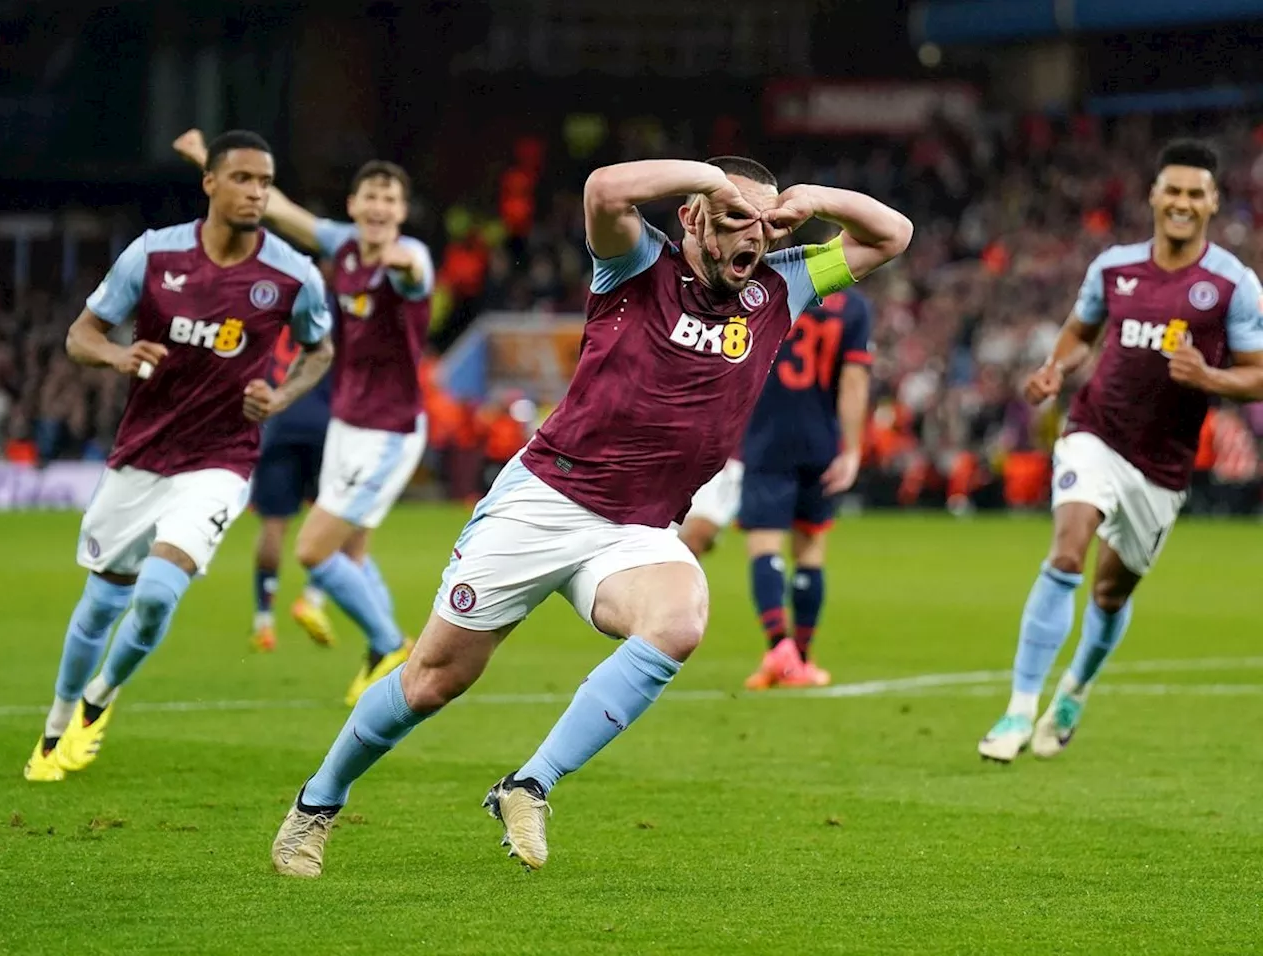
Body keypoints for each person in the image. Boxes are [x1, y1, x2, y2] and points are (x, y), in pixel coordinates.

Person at [268, 156, 911, 876]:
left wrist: (812, 199)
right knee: (431, 681)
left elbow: (891, 235)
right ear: (693, 216)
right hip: (546, 502)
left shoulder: (780, 284)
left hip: (637, 529)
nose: (753, 237)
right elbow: (604, 188)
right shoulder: (636, 262)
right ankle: (315, 808)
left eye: (764, 225)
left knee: (679, 620)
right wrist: (706, 176)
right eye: (734, 218)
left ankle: (529, 784)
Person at [24, 130, 333, 782]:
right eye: (243, 178)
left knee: (160, 593)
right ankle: (55, 728)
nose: (256, 192)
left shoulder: (291, 273)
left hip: (220, 462)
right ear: (210, 183)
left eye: (265, 182)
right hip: (140, 456)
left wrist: (280, 395)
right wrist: (117, 355)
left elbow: (320, 351)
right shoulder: (154, 254)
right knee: (101, 604)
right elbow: (83, 334)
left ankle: (99, 699)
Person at [978, 140, 1263, 763]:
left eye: (1196, 193)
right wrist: (1056, 367)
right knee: (1067, 549)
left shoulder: (1233, 283)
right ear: (1154, 196)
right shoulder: (1114, 268)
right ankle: (1018, 711)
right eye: (1174, 190)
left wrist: (1211, 379)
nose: (1183, 203)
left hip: (1163, 466)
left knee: (1111, 594)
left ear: (1213, 201)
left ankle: (1074, 689)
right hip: (1095, 431)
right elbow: (1082, 330)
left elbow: (1258, 373)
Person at [174, 131, 434, 704]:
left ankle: (392, 644)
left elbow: (415, 273)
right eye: (371, 196)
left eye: (390, 200)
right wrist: (204, 160)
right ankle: (385, 659)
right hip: (345, 422)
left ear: (402, 212)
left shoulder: (409, 258)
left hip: (390, 433)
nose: (379, 208)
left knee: (315, 551)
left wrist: (403, 262)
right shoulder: (342, 245)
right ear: (353, 205)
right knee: (353, 552)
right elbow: (282, 210)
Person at [739, 287, 873, 689]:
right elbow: (853, 380)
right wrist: (851, 449)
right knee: (810, 551)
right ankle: (801, 656)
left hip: (764, 432)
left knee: (765, 546)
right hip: (820, 437)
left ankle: (780, 650)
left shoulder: (764, 288)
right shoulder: (852, 306)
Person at [246, 325, 335, 652]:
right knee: (337, 516)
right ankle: (312, 598)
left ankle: (264, 623)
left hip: (278, 422)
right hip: (325, 421)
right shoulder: (329, 305)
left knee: (273, 525)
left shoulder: (270, 301)